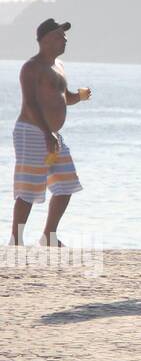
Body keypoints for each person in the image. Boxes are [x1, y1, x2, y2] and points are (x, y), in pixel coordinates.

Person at [10, 19, 90, 246]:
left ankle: (49, 236)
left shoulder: (59, 66)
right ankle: (16, 240)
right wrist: (47, 133)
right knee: (28, 189)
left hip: (51, 135)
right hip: (32, 132)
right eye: (59, 36)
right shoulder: (32, 67)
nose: (64, 40)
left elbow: (65, 97)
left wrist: (80, 97)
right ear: (44, 39)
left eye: (64, 37)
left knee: (66, 185)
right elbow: (31, 104)